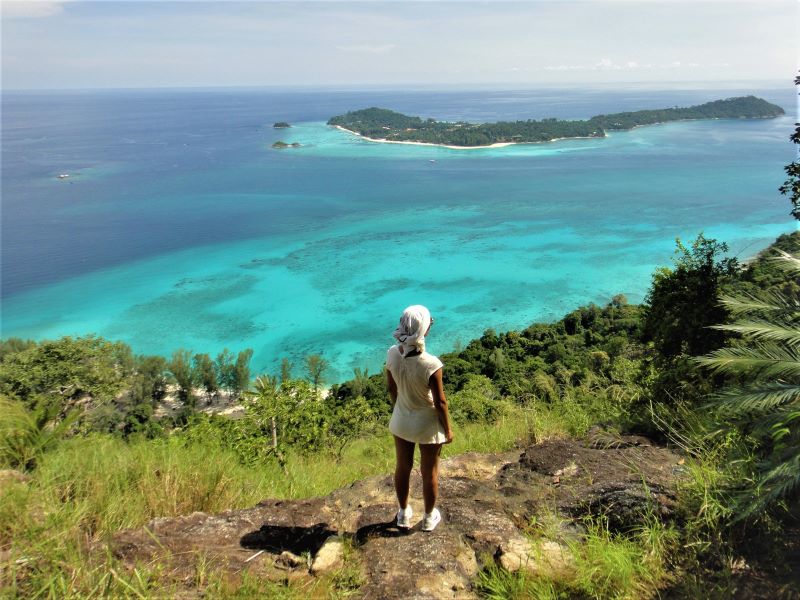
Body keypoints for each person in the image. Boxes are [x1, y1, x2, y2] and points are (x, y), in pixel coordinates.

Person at [385, 305, 454, 532]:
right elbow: (441, 402)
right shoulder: (431, 364)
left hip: (402, 420)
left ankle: (403, 513)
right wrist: (448, 431)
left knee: (402, 468)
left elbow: (392, 388)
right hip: (427, 425)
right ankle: (428, 517)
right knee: (429, 473)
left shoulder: (392, 354)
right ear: (423, 330)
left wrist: (399, 408)